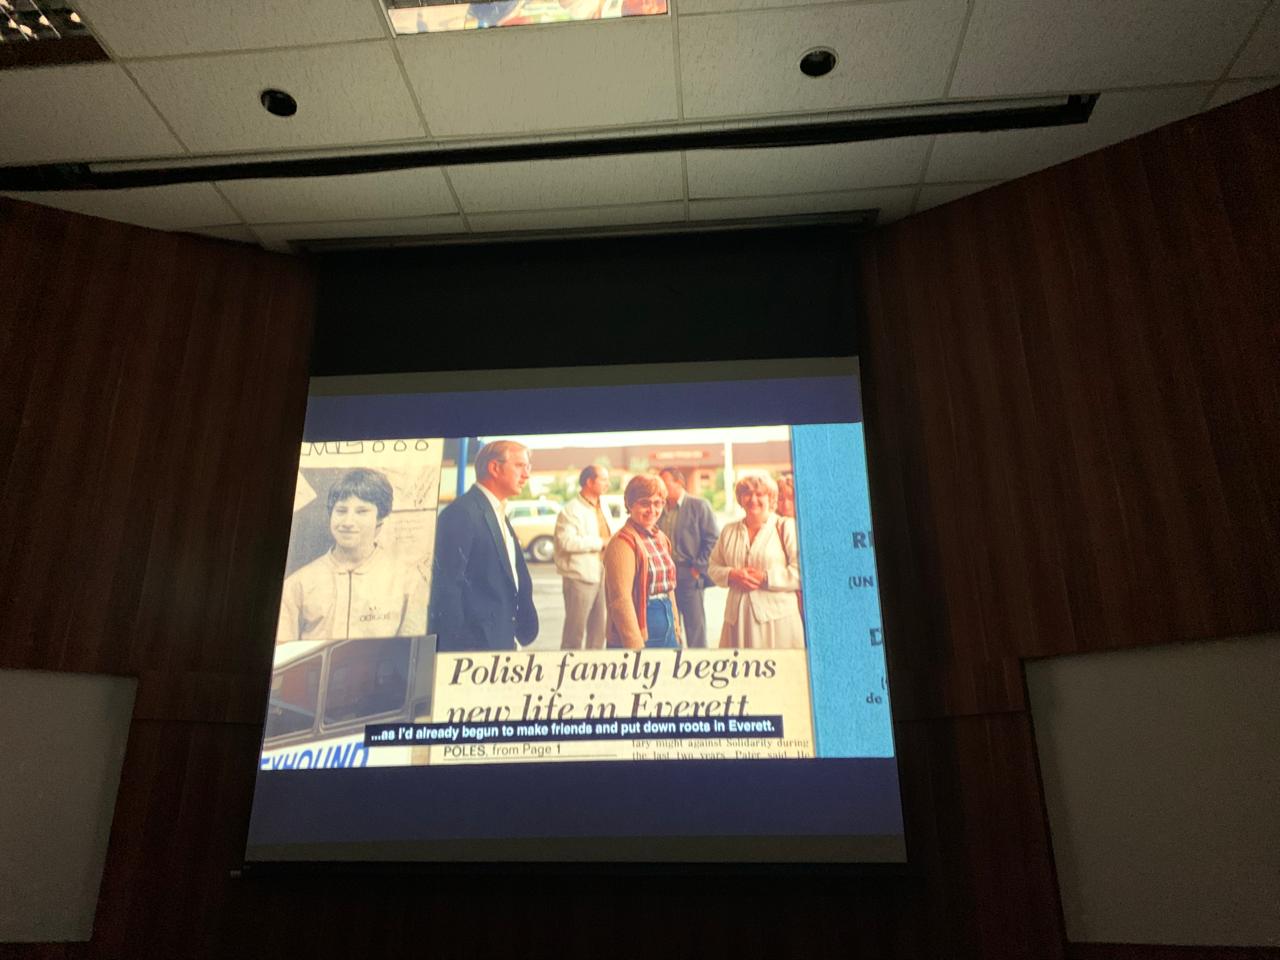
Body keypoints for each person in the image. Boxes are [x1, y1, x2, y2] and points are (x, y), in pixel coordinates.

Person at [276, 468, 428, 644]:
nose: (348, 522)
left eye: (362, 511)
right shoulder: (297, 585)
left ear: (380, 518)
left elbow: (412, 649)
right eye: (341, 511)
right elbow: (282, 652)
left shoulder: (408, 581)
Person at [428, 440, 539, 652]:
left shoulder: (495, 510)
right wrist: (464, 652)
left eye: (528, 467)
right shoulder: (461, 514)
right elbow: (447, 590)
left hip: (503, 639)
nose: (526, 475)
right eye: (519, 466)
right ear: (494, 468)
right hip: (477, 649)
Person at [708, 473, 804, 649]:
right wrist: (731, 574)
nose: (753, 499)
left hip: (778, 622)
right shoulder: (728, 531)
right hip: (737, 621)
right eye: (747, 494)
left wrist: (765, 578)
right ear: (740, 498)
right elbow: (713, 567)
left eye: (760, 494)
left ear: (771, 499)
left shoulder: (787, 527)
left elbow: (803, 572)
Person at [603, 475, 683, 649]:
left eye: (658, 503)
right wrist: (636, 648)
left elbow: (669, 588)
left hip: (666, 619)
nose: (652, 509)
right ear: (630, 504)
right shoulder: (621, 543)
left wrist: (676, 627)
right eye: (645, 503)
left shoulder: (660, 538)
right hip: (640, 627)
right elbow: (621, 601)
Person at [656, 467, 719, 648]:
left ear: (679, 483)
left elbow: (713, 540)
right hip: (665, 577)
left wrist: (697, 569)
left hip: (689, 574)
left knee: (695, 629)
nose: (661, 488)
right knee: (670, 626)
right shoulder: (659, 508)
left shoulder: (699, 505)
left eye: (665, 483)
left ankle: (697, 662)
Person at [553, 464, 612, 649]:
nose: (608, 484)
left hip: (602, 575)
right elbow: (566, 542)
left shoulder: (603, 505)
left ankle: (593, 665)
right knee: (574, 633)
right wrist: (600, 542)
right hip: (580, 577)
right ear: (589, 482)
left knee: (599, 631)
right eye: (604, 479)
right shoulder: (571, 510)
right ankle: (569, 664)